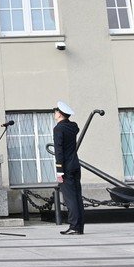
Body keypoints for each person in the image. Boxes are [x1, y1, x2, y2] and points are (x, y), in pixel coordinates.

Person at [53, 101, 83, 235]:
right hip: (75, 164)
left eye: (55, 111)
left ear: (60, 114)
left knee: (70, 198)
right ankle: (79, 227)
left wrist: (59, 171)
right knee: (77, 197)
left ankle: (74, 226)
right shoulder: (73, 126)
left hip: (66, 167)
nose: (54, 113)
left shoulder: (59, 128)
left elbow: (59, 151)